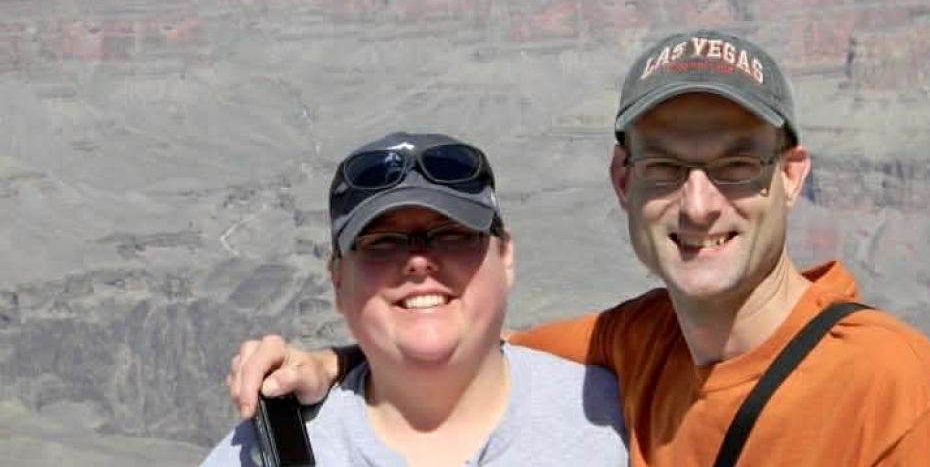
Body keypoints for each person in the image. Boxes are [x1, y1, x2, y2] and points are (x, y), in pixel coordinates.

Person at [227, 31, 930, 466]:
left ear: (791, 175)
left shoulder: (893, 392)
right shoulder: (637, 343)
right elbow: (463, 343)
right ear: (624, 179)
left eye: (735, 166)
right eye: (664, 167)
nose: (698, 204)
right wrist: (335, 362)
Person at [203, 132, 627, 467]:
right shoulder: (263, 453)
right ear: (337, 280)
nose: (419, 261)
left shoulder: (623, 414)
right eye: (382, 243)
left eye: (453, 235)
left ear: (506, 255)